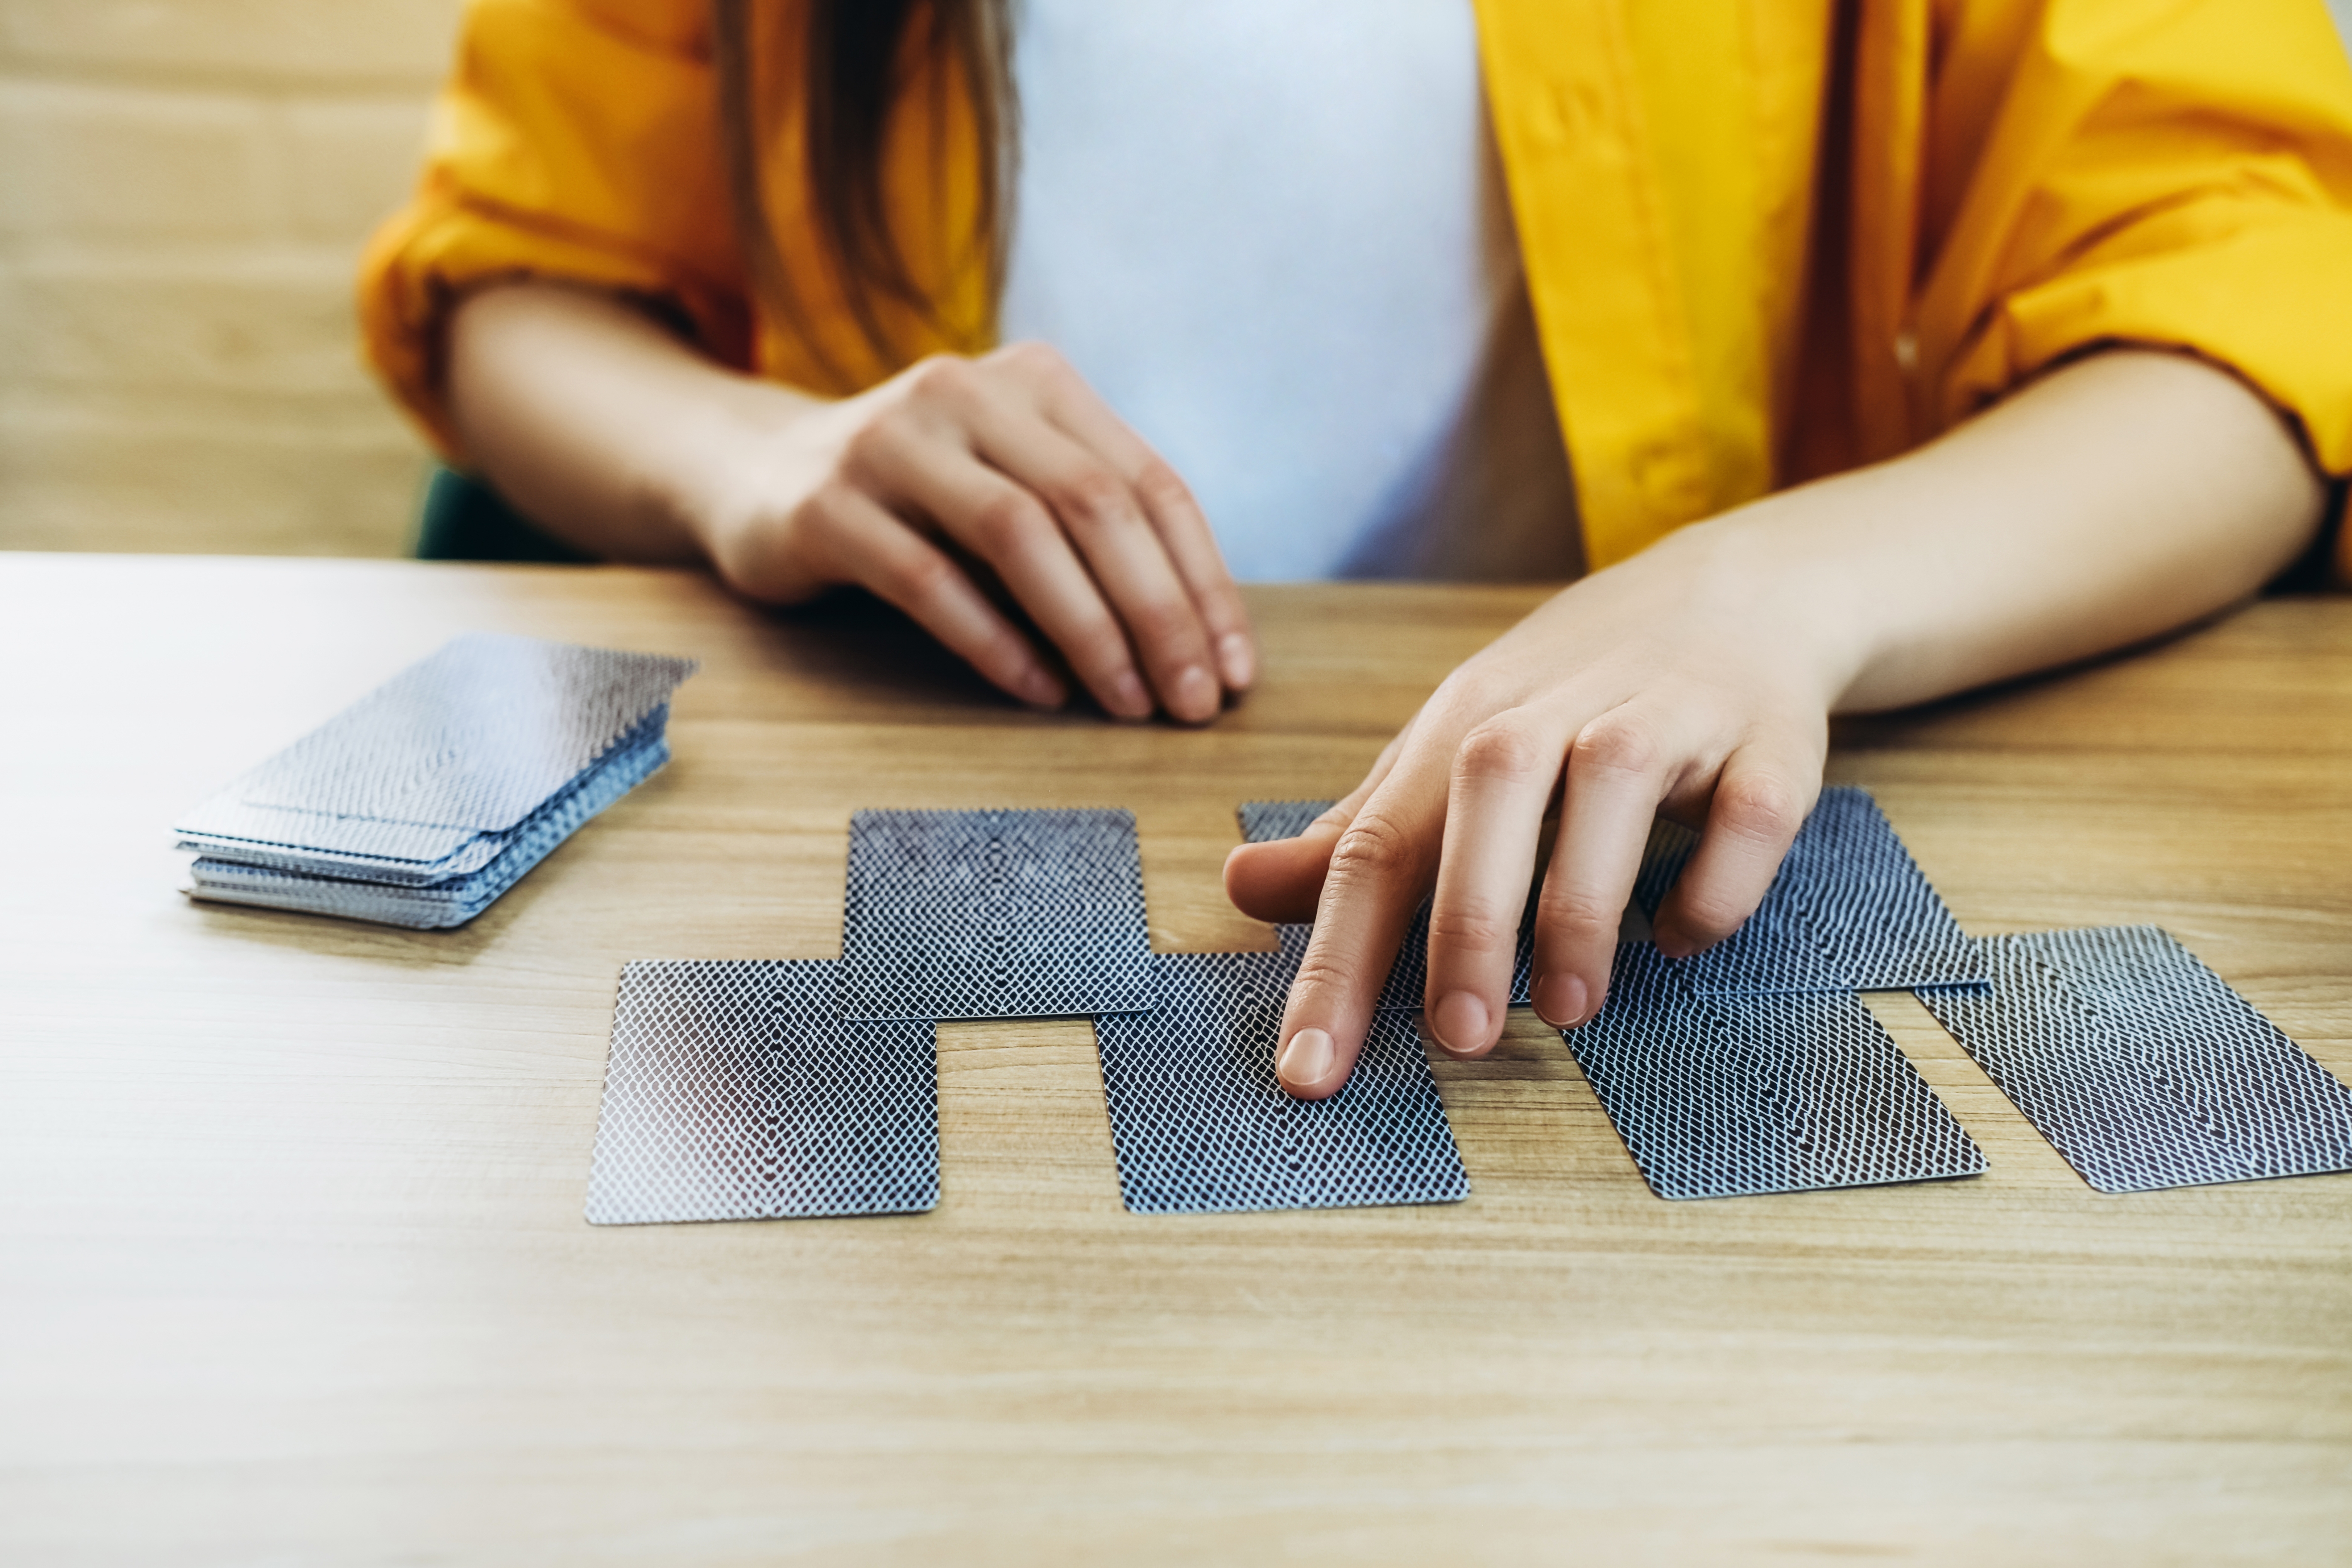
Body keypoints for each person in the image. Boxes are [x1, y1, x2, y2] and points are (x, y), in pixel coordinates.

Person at [361, 0, 2352, 1101]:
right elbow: (517, 274)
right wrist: (754, 454)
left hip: (1645, 854)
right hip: (912, 762)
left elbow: (2262, 318)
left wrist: (1779, 590)